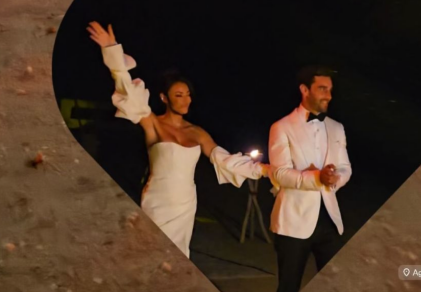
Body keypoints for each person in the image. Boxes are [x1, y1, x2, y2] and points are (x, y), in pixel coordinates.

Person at [87, 21, 270, 258]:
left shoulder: (197, 132)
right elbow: (128, 93)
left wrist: (263, 169)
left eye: (188, 95)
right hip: (157, 202)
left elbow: (223, 160)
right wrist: (112, 51)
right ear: (164, 97)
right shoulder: (152, 121)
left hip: (185, 204)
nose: (186, 100)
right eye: (178, 95)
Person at [268, 65, 352, 292]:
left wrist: (335, 178)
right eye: (323, 89)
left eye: (330, 90)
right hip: (293, 223)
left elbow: (346, 168)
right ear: (305, 90)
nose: (329, 95)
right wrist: (317, 178)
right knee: (288, 287)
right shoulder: (281, 127)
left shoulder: (337, 127)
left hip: (329, 221)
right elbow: (279, 173)